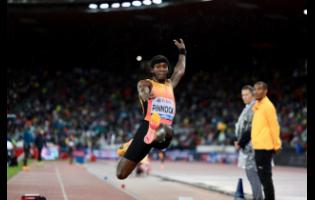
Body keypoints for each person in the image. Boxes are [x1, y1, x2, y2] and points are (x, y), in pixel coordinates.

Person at [116, 38, 186, 179]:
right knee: (121, 174)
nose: (161, 68)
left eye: (164, 66)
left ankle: (155, 133)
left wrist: (182, 52)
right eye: (158, 66)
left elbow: (180, 70)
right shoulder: (147, 82)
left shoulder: (169, 84)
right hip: (147, 127)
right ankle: (133, 145)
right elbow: (142, 88)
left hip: (163, 130)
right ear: (152, 69)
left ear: (167, 69)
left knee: (167, 129)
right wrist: (144, 94)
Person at [251, 81, 282, 200]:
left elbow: (274, 126)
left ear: (265, 91)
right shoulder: (258, 106)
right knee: (263, 176)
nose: (256, 91)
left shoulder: (268, 106)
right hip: (259, 146)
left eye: (259, 89)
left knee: (265, 177)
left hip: (265, 147)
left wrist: (277, 144)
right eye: (255, 89)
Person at [234, 85, 263, 200]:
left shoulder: (254, 107)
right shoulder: (248, 107)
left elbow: (251, 128)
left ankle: (258, 198)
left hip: (254, 146)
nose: (244, 97)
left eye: (246, 95)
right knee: (252, 172)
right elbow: (241, 127)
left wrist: (240, 143)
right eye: (242, 95)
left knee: (251, 172)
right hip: (250, 146)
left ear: (253, 95)